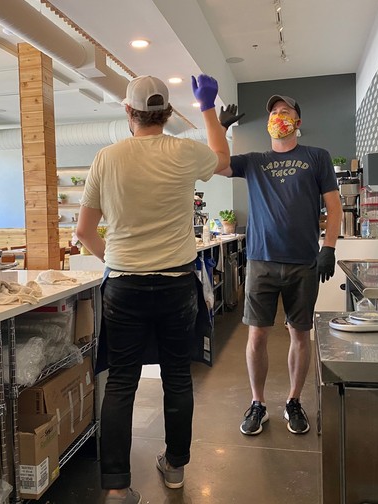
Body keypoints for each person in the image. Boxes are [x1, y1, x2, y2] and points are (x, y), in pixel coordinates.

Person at [76, 74, 230, 504]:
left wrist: (117, 259)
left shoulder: (106, 158)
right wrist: (207, 108)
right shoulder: (183, 151)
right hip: (177, 285)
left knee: (122, 382)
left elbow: (84, 231)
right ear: (165, 114)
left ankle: (116, 487)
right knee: (177, 377)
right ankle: (176, 468)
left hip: (123, 287)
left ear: (129, 112)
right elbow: (221, 157)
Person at [216, 95, 342, 436]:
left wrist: (328, 248)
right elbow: (216, 165)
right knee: (257, 335)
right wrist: (219, 127)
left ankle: (293, 400)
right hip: (261, 261)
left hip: (304, 262)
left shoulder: (317, 157)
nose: (278, 115)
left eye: (285, 111)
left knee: (300, 334)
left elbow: (335, 208)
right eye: (273, 111)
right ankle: (258, 404)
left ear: (297, 121)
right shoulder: (254, 161)